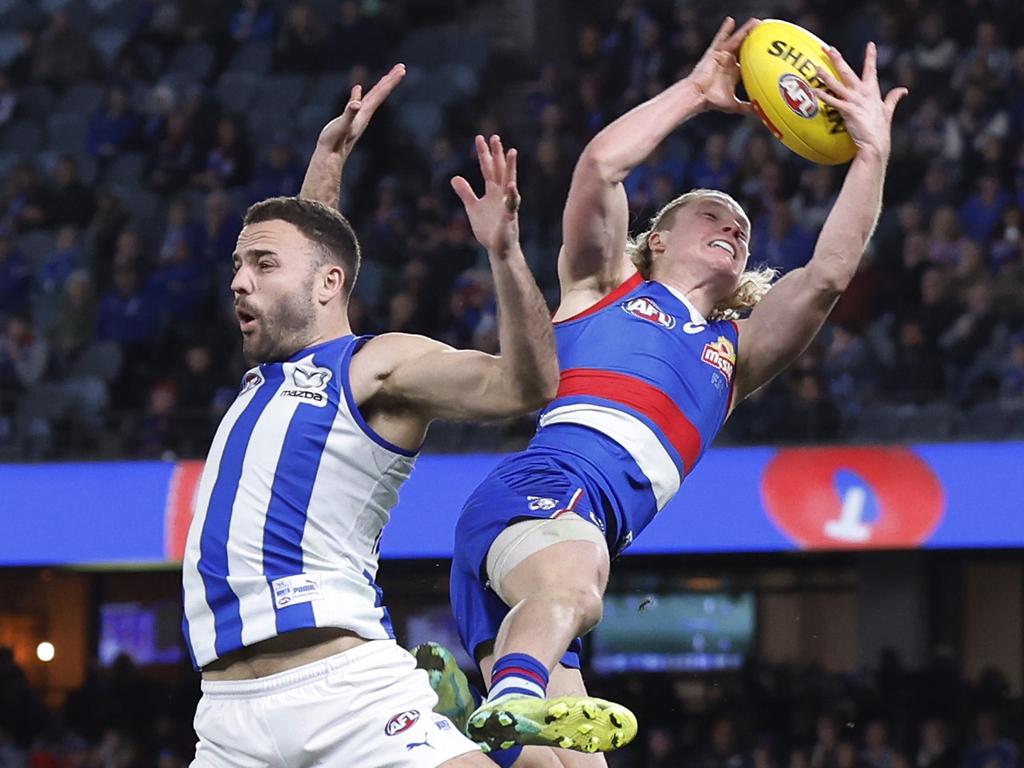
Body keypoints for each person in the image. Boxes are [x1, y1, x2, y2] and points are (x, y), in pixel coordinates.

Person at [440, 17, 907, 767]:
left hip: (556, 550)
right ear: (655, 238)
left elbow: (826, 276)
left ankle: (428, 730)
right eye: (713, 215)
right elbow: (599, 170)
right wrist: (695, 91)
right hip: (550, 497)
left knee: (560, 765)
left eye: (746, 229)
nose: (735, 226)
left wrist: (873, 155)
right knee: (580, 594)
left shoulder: (736, 355)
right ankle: (509, 699)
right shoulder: (601, 287)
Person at [181, 65, 559, 768]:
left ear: (330, 286)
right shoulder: (269, 372)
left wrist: (504, 255)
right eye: (238, 264)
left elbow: (525, 385)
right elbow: (313, 255)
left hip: (345, 693)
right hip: (225, 719)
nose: (239, 280)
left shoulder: (378, 365)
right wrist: (327, 164)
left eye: (259, 264)